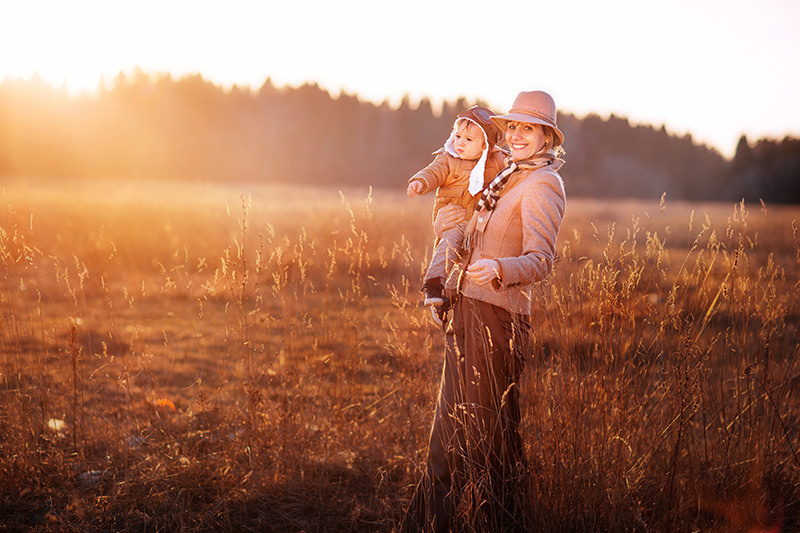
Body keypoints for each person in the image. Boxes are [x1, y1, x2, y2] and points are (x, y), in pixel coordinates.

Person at [403, 91, 567, 532]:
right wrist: (446, 286)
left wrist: (498, 269)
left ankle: (454, 523)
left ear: (547, 136)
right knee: (469, 436)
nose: (515, 135)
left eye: (527, 128)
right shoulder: (506, 176)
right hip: (469, 310)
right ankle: (463, 521)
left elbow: (541, 261)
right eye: (512, 126)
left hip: (498, 319)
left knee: (476, 440)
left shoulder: (543, 184)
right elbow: (466, 229)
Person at [407, 106, 506, 313]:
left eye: (469, 140)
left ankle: (445, 303)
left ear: (485, 146)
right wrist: (420, 182)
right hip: (455, 218)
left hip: (478, 224)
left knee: (465, 268)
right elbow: (433, 172)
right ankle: (434, 283)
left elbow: (511, 172)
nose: (460, 142)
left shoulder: (495, 160)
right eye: (458, 135)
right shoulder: (448, 158)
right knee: (449, 248)